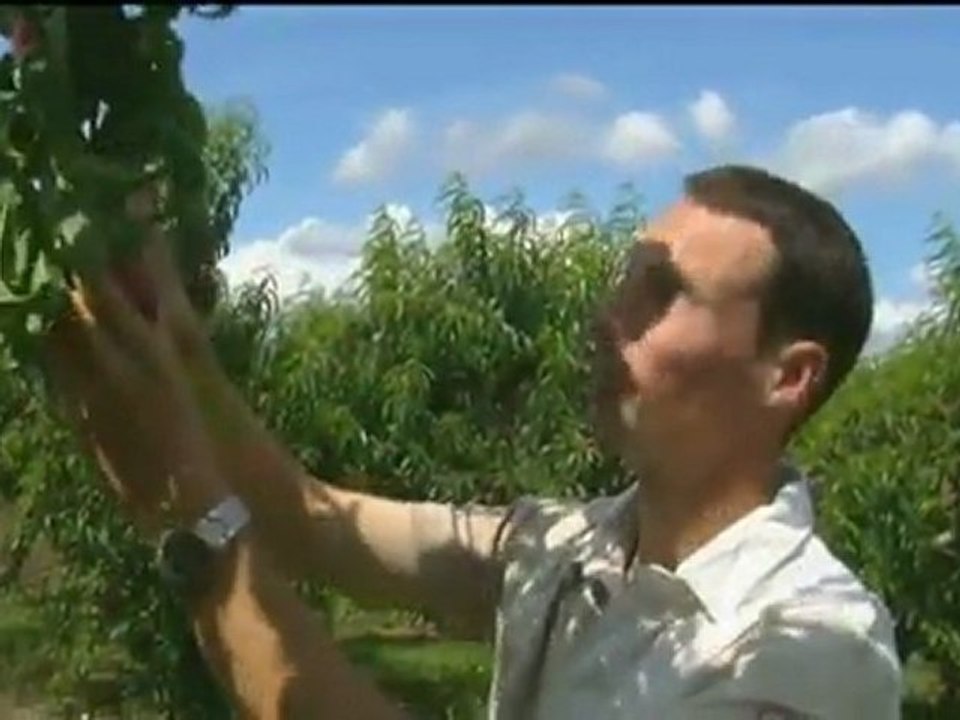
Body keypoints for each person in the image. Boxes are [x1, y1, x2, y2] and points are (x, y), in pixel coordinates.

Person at [44, 164, 903, 719]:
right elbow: (314, 521)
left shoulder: (809, 652)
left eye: (660, 294)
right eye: (621, 284)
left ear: (787, 377)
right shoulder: (567, 548)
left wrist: (197, 525)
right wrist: (179, 351)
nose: (608, 320)